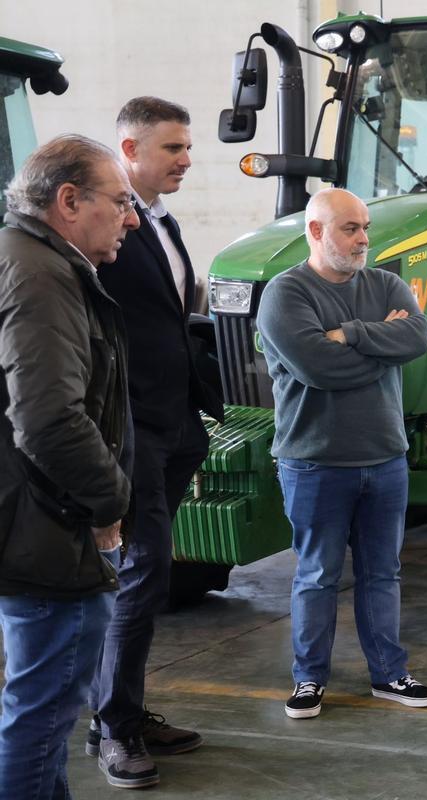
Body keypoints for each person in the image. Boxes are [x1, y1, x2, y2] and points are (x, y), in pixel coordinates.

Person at [256, 188, 427, 719]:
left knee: (384, 573)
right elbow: (320, 369)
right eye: (349, 229)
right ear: (315, 232)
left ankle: (389, 674)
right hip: (314, 461)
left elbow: (419, 338)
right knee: (317, 575)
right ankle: (309, 679)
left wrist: (353, 334)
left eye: (364, 228)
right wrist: (384, 348)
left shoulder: (384, 282)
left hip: (385, 457)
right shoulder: (286, 294)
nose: (362, 240)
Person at [90, 97, 224, 790]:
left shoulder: (161, 221)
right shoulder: (103, 227)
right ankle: (114, 727)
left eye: (186, 146)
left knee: (151, 574)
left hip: (175, 422)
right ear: (130, 149)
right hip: (133, 423)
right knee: (141, 576)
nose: (187, 159)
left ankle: (125, 708)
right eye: (173, 148)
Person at [0, 134, 139, 800]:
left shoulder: (19, 256)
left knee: (38, 712)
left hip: (26, 521)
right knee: (42, 715)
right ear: (68, 200)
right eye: (120, 202)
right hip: (50, 532)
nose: (131, 218)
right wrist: (110, 503)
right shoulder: (43, 272)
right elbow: (51, 419)